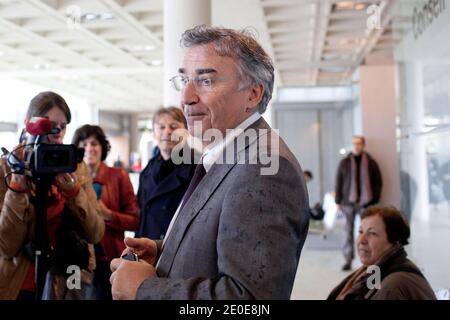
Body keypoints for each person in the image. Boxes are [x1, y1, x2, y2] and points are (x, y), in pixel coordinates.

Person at [109, 25, 310, 300]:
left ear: (253, 93)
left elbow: (250, 301)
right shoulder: (226, 151)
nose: (186, 97)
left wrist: (145, 289)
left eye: (206, 81)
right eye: (184, 80)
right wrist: (166, 250)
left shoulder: (264, 169)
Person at [0, 91, 104, 300]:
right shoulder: (7, 167)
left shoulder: (74, 165)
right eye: (48, 124)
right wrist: (18, 187)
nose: (57, 132)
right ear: (27, 123)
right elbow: (7, 246)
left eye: (63, 126)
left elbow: (95, 232)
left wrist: (74, 192)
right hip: (21, 282)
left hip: (66, 279)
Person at [72, 124, 139, 300]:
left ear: (102, 147)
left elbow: (135, 219)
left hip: (109, 258)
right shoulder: (69, 178)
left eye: (94, 143)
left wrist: (108, 214)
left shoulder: (118, 176)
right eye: (83, 144)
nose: (88, 149)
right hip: (79, 259)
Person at [328, 206, 436, 300]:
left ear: (395, 241)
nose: (362, 240)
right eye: (360, 231)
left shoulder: (390, 288)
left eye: (372, 233)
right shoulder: (376, 270)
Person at [136, 107, 197, 240]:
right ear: (153, 133)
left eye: (174, 126)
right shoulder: (146, 172)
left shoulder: (198, 167)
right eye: (161, 127)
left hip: (180, 247)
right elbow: (142, 218)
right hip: (148, 249)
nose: (167, 132)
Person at [335, 135, 382, 271]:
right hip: (348, 203)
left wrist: (375, 199)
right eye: (354, 143)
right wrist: (338, 201)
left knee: (367, 232)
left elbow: (378, 182)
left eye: (359, 143)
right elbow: (339, 181)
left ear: (363, 145)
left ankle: (368, 260)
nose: (356, 146)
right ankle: (348, 260)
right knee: (347, 232)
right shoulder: (344, 162)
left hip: (365, 203)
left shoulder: (371, 162)